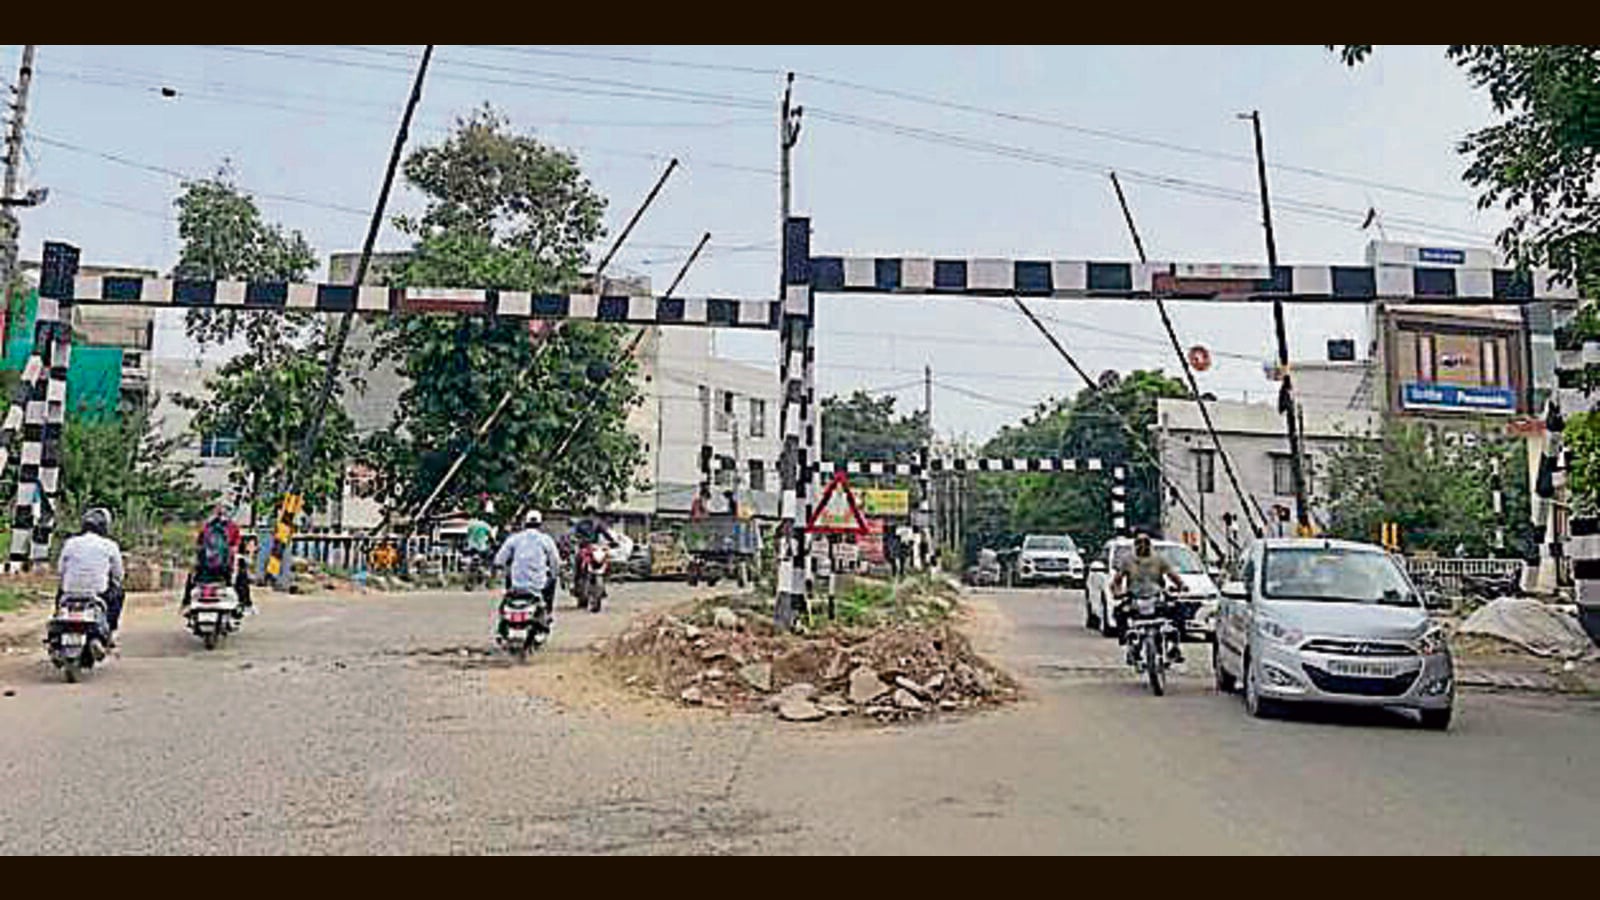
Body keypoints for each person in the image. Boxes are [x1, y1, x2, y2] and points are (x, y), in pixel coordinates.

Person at [1110, 531, 1188, 662]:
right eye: (1139, 543)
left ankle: (1175, 645)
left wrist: (1181, 586)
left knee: (1179, 609)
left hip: (1156, 598)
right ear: (1135, 545)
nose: (1142, 546)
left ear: (1150, 545)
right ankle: (1127, 641)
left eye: (1145, 543)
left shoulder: (1159, 559)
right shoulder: (1128, 561)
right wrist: (1117, 592)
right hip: (1135, 598)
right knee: (1119, 612)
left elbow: (1173, 575)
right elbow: (1116, 581)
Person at [57, 507, 125, 647]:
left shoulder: (70, 542)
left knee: (59, 596)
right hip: (98, 592)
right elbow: (118, 574)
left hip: (70, 591)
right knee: (119, 594)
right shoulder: (110, 546)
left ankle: (57, 622)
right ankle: (111, 631)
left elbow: (61, 570)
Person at [494, 510, 562, 626]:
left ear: (525, 523)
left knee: (508, 583)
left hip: (516, 585)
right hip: (538, 585)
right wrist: (555, 573)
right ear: (540, 524)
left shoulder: (514, 539)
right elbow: (555, 561)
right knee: (553, 580)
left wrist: (503, 568)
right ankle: (548, 611)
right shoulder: (546, 539)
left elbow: (499, 560)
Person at [183, 504, 245, 612]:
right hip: (225, 567)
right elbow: (236, 547)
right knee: (242, 575)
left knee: (191, 576)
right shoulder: (233, 527)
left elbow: (199, 546)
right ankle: (244, 603)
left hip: (205, 567)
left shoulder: (207, 527)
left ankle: (186, 602)